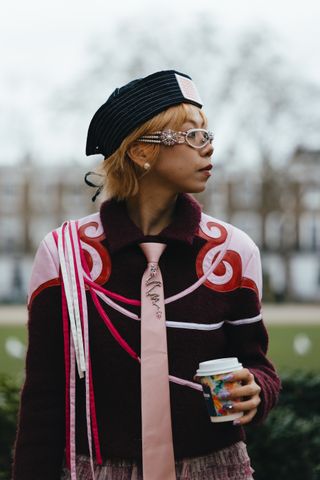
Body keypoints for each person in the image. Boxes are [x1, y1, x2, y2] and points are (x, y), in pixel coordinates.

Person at [13, 70, 281, 480]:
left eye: (208, 136)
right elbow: (44, 398)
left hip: (216, 469)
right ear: (142, 152)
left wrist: (256, 390)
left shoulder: (233, 252)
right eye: (192, 137)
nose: (208, 149)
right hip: (99, 472)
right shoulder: (64, 256)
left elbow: (258, 364)